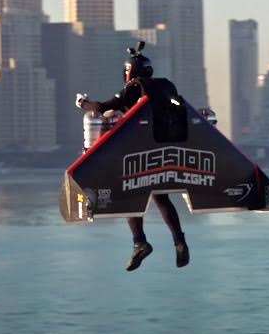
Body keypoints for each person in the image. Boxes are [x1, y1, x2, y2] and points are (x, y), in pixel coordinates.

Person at [76, 42, 190, 271]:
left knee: (129, 194)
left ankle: (139, 242)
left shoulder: (134, 87)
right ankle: (179, 240)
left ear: (130, 71)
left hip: (139, 150)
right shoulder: (167, 86)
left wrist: (83, 103)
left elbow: (105, 107)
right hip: (166, 150)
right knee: (161, 197)